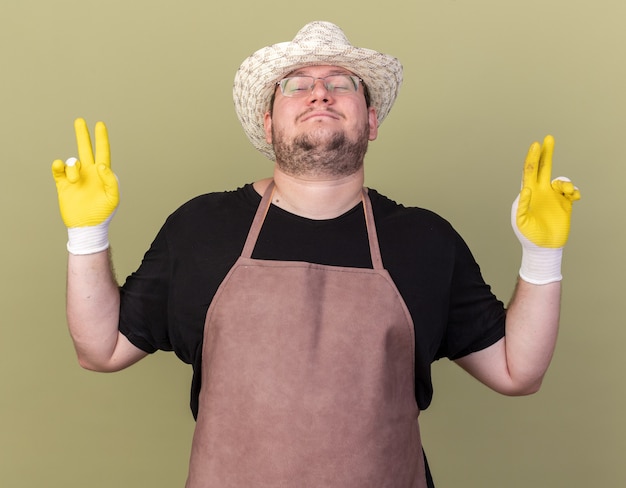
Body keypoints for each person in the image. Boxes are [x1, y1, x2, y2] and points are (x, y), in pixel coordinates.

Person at [51, 21, 580, 488]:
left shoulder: (425, 241)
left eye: (341, 84)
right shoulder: (201, 229)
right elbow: (101, 350)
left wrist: (542, 255)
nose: (319, 94)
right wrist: (87, 235)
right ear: (268, 126)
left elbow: (517, 372)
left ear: (370, 121)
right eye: (297, 86)